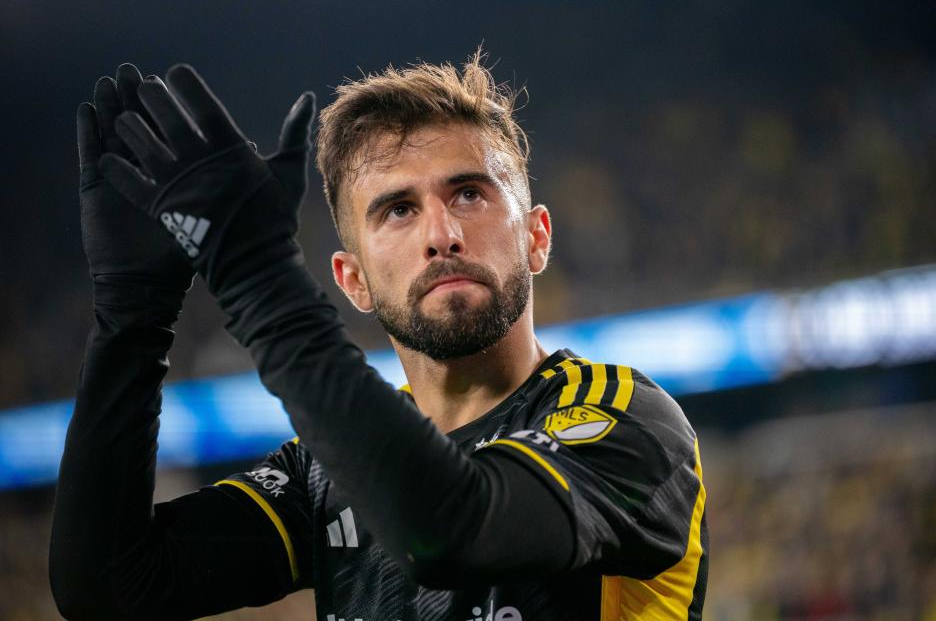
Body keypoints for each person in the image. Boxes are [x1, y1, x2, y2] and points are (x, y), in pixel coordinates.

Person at [49, 54, 708, 621]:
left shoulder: (629, 423)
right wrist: (131, 320)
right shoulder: (324, 473)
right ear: (353, 280)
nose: (441, 233)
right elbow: (107, 587)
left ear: (536, 237)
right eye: (398, 210)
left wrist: (253, 275)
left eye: (470, 194)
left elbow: (449, 530)